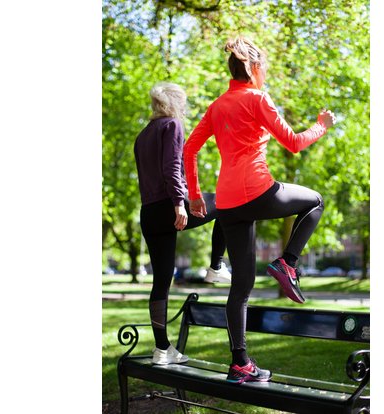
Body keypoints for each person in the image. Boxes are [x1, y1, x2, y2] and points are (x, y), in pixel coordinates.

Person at [183, 37, 336, 384]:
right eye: (264, 67)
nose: (265, 72)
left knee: (241, 286)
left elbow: (189, 149)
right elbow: (294, 143)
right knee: (315, 201)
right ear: (253, 68)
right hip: (257, 191)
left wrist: (195, 195)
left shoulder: (217, 106)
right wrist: (321, 125)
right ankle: (288, 263)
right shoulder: (257, 98)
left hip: (228, 203)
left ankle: (240, 364)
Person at [134, 82, 232, 365]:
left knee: (161, 282)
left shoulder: (143, 135)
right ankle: (216, 267)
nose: (185, 109)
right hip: (170, 205)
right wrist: (180, 203)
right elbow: (171, 168)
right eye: (184, 103)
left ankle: (162, 349)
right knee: (227, 201)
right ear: (174, 103)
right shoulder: (172, 125)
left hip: (149, 213)